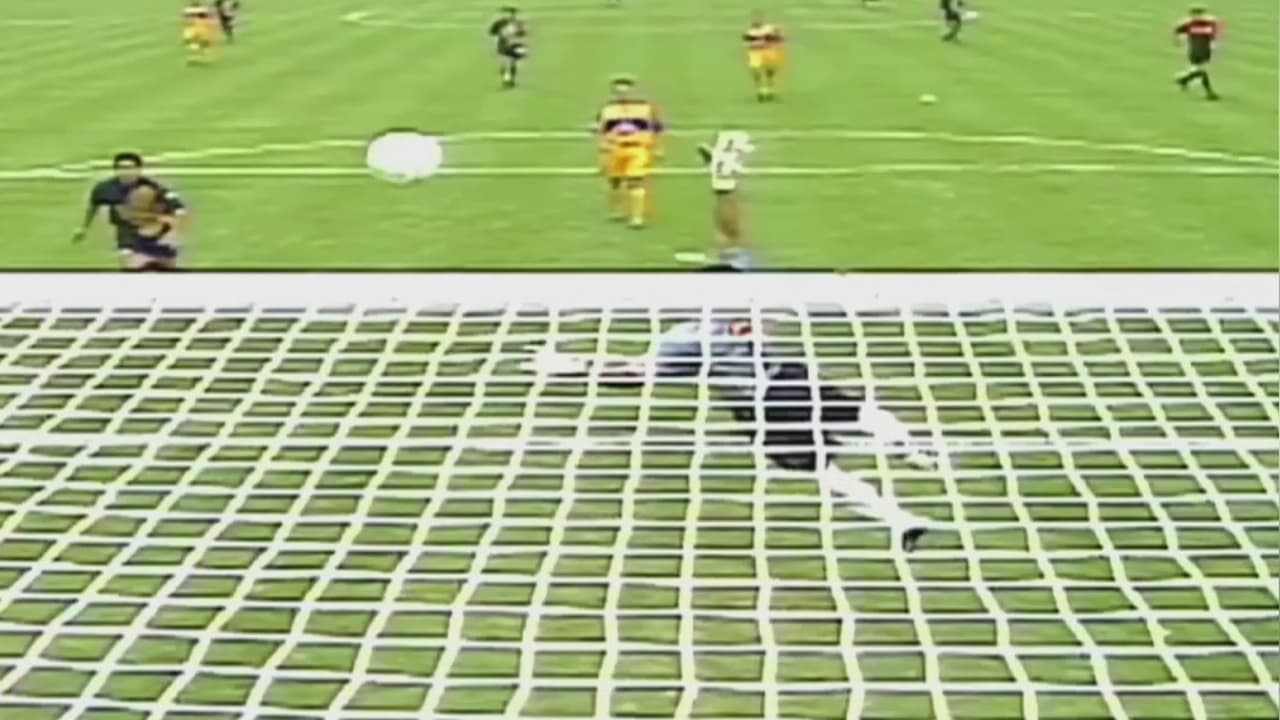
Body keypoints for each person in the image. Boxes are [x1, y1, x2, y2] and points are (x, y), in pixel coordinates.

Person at [520, 301, 938, 551]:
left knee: (826, 467)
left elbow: (636, 374)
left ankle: (900, 515)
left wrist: (578, 367)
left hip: (764, 407)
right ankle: (913, 456)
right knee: (859, 415)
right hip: (788, 383)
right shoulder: (734, 316)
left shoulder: (684, 338)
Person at [73, 153, 188, 271]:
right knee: (130, 266)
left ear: (138, 170)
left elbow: (180, 210)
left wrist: (174, 233)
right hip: (128, 233)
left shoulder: (154, 188)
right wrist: (83, 228)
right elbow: (94, 205)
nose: (125, 172)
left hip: (157, 233)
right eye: (121, 168)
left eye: (129, 168)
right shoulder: (105, 188)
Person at [596, 75, 664, 228]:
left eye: (626, 89)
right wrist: (602, 152)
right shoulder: (608, 110)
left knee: (636, 181)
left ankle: (636, 217)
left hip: (637, 149)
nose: (623, 93)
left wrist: (658, 147)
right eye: (619, 90)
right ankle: (617, 211)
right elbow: (601, 131)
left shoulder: (645, 108)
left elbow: (657, 128)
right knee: (614, 182)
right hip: (615, 149)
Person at [697, 131, 756, 270]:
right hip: (724, 193)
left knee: (730, 227)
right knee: (726, 226)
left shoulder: (730, 160)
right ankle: (730, 255)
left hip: (727, 194)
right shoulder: (729, 159)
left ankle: (736, 257)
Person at [1174, 7, 1221, 100]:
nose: (1197, 17)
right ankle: (1209, 93)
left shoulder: (1209, 24)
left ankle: (1184, 80)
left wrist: (1214, 44)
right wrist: (1177, 40)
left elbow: (1214, 34)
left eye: (1199, 15)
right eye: (1195, 15)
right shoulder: (1189, 25)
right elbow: (1177, 30)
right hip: (1195, 51)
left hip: (1205, 51)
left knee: (1198, 71)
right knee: (1201, 71)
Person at [743, 13, 785, 101]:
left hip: (768, 51)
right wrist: (753, 44)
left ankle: (769, 88)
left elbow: (780, 37)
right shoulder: (750, 32)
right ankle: (760, 89)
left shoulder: (769, 29)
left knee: (769, 71)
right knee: (755, 69)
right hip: (755, 52)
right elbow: (746, 42)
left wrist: (776, 42)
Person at [488, 7, 529, 89]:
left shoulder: (516, 23)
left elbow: (523, 34)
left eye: (512, 14)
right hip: (504, 45)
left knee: (512, 62)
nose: (511, 16)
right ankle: (506, 79)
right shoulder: (500, 23)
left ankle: (509, 79)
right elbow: (492, 32)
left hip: (512, 45)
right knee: (506, 61)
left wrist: (517, 35)